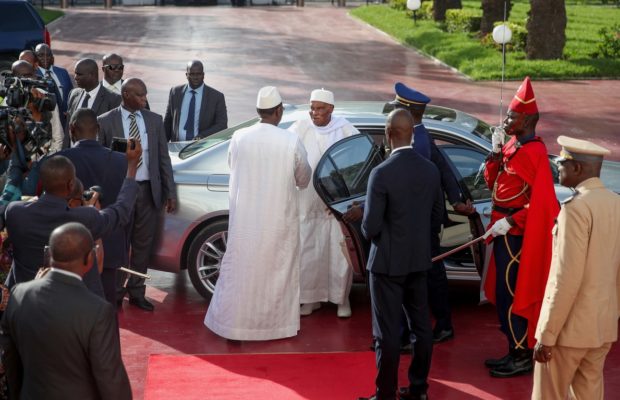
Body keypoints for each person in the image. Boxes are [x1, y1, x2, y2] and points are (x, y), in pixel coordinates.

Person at [205, 86, 311, 340]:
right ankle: (276, 327)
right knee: (276, 274)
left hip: (246, 222)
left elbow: (232, 165)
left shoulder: (240, 137)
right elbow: (304, 178)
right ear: (278, 111)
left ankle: (233, 326)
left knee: (241, 273)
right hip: (278, 223)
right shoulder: (290, 140)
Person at [359, 109, 443, 400]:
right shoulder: (430, 170)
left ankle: (385, 394)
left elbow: (370, 227)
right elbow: (437, 216)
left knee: (387, 334)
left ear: (388, 134)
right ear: (412, 133)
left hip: (386, 265)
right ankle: (419, 389)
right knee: (422, 329)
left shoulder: (380, 173)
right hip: (419, 261)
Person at [0, 222, 132, 400]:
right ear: (89, 259)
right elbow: (110, 379)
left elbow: (10, 357)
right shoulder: (98, 311)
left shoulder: (18, 294)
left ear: (49, 254)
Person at [532, 136, 620, 400]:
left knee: (549, 395)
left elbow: (565, 278)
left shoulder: (575, 209)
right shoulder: (615, 203)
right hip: (601, 326)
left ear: (577, 169)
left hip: (568, 331)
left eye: (562, 163)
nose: (558, 168)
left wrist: (547, 334)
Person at [482, 76, 559, 378]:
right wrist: (495, 154)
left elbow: (541, 206)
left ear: (526, 119)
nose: (507, 120)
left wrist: (512, 221)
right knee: (503, 295)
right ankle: (512, 349)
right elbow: (493, 183)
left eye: (512, 116)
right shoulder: (514, 145)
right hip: (501, 228)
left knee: (514, 295)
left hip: (515, 237)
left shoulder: (535, 153)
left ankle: (521, 355)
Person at [390, 82, 475, 344]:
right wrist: (455, 197)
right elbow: (444, 166)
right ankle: (442, 323)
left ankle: (409, 334)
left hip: (416, 221)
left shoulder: (415, 143)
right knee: (432, 271)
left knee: (416, 275)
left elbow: (406, 186)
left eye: (397, 110)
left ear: (407, 112)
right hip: (426, 219)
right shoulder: (422, 134)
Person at [3, 141, 140, 295]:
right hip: (72, 307)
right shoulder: (85, 218)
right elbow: (121, 211)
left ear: (43, 182)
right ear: (71, 185)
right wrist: (132, 166)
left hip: (24, 303)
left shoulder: (15, 212)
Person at [98, 78, 177, 311]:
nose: (145, 99)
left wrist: (169, 192)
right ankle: (117, 292)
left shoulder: (154, 121)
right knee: (119, 245)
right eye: (141, 96)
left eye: (145, 95)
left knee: (142, 245)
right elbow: (102, 161)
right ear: (126, 95)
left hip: (147, 192)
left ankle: (137, 292)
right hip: (120, 193)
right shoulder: (106, 122)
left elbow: (164, 159)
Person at [289, 88, 359, 318]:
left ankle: (341, 300)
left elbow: (358, 162)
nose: (314, 113)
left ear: (331, 109)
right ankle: (310, 299)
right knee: (309, 251)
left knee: (338, 253)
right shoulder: (300, 127)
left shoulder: (345, 129)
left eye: (320, 109)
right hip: (307, 202)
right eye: (312, 108)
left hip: (336, 205)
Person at [56, 108, 129, 310]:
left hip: (71, 248)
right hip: (110, 245)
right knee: (107, 309)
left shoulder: (61, 160)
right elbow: (127, 203)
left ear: (71, 129)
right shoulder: (122, 161)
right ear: (98, 129)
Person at [163, 60, 228, 142]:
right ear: (187, 75)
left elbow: (222, 125)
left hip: (201, 147)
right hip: (176, 147)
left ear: (203, 75)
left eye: (199, 74)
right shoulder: (175, 92)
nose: (196, 77)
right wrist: (162, 146)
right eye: (192, 74)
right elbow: (168, 121)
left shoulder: (216, 97)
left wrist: (202, 136)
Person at [65, 58, 121, 148]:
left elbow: (114, 135)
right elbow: (68, 131)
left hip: (98, 159)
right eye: (75, 73)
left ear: (92, 75)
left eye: (79, 74)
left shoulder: (113, 99)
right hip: (73, 157)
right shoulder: (73, 94)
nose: (75, 77)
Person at [34, 43, 73, 128]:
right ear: (35, 57)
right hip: (47, 122)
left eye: (48, 55)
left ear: (52, 56)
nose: (45, 58)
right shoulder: (33, 75)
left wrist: (70, 110)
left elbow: (71, 93)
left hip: (66, 120)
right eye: (41, 55)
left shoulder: (63, 72)